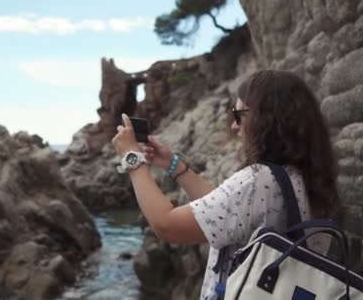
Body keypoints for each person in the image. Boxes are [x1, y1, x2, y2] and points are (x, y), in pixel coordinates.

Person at [111, 70, 340, 300]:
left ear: (267, 119)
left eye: (239, 115)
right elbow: (226, 211)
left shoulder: (258, 180)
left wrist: (132, 159)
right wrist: (173, 165)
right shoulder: (308, 178)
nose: (234, 126)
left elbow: (166, 225)